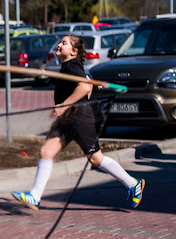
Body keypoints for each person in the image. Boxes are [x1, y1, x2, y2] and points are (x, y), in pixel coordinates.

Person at [11, 35, 145, 210]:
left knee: (96, 159)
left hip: (80, 118)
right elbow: (86, 83)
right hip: (67, 119)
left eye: (64, 43)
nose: (59, 45)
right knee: (46, 151)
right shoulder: (69, 66)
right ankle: (35, 197)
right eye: (60, 42)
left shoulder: (72, 65)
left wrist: (63, 105)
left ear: (74, 52)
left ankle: (132, 184)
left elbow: (85, 87)